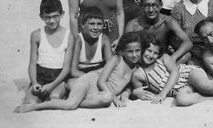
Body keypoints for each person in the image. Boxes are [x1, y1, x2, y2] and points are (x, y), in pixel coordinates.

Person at [14, 32, 142, 112]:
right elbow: (101, 80)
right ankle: (34, 107)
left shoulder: (135, 68)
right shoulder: (116, 59)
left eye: (137, 51)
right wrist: (115, 98)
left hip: (99, 94)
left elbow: (128, 86)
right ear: (122, 52)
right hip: (89, 82)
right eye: (130, 51)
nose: (134, 54)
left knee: (106, 98)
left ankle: (69, 101)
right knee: (71, 105)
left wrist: (125, 94)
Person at [131, 34, 213, 106]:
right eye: (149, 51)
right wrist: (135, 92)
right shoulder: (138, 74)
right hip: (177, 90)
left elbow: (175, 73)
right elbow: (141, 92)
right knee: (182, 100)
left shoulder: (163, 58)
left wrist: (163, 93)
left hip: (187, 74)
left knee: (204, 85)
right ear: (142, 50)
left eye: (155, 53)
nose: (151, 55)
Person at [15, 0, 74, 109]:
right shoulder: (36, 34)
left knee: (55, 98)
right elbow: (32, 63)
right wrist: (34, 82)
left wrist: (52, 85)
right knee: (30, 102)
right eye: (47, 17)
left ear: (62, 14)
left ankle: (58, 93)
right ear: (41, 16)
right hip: (40, 76)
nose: (51, 21)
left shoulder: (69, 36)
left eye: (55, 16)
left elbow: (67, 68)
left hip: (59, 77)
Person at [125, 0, 193, 65]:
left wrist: (173, 58)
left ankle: (166, 72)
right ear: (141, 6)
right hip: (141, 61)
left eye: (154, 5)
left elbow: (188, 42)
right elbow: (125, 49)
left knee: (187, 55)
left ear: (161, 5)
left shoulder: (167, 21)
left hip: (162, 61)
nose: (151, 10)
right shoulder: (133, 25)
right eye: (146, 6)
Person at [70, 7, 112, 78]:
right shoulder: (79, 40)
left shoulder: (104, 39)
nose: (96, 27)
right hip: (81, 77)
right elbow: (74, 72)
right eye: (92, 24)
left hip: (98, 76)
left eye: (99, 24)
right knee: (72, 84)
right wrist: (92, 78)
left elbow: (110, 67)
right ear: (83, 25)